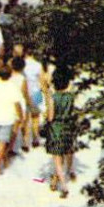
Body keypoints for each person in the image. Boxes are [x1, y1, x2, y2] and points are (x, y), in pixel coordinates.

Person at [43, 65, 79, 196]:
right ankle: (61, 177)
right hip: (68, 126)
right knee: (67, 152)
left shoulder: (53, 98)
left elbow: (50, 116)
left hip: (56, 128)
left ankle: (64, 186)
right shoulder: (71, 97)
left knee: (57, 159)